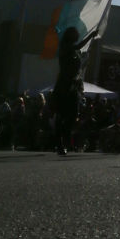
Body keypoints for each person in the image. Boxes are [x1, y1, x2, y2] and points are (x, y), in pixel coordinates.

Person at [52, 26, 83, 155]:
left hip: (74, 85)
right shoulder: (65, 47)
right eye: (74, 34)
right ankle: (60, 144)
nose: (76, 36)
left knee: (73, 114)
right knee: (61, 115)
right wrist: (91, 35)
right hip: (64, 84)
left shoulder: (75, 52)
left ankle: (64, 140)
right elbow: (78, 46)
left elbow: (78, 68)